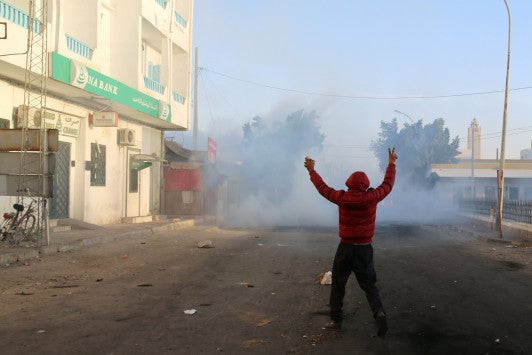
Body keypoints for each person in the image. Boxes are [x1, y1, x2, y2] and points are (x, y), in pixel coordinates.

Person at [304, 147, 397, 336]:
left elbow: (323, 188)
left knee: (338, 284)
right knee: (369, 285)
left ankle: (336, 321)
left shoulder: (342, 198)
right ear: (365, 184)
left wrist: (312, 171)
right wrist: (391, 164)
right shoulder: (371, 197)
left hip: (345, 248)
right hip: (364, 248)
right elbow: (387, 185)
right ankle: (378, 313)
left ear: (349, 183)